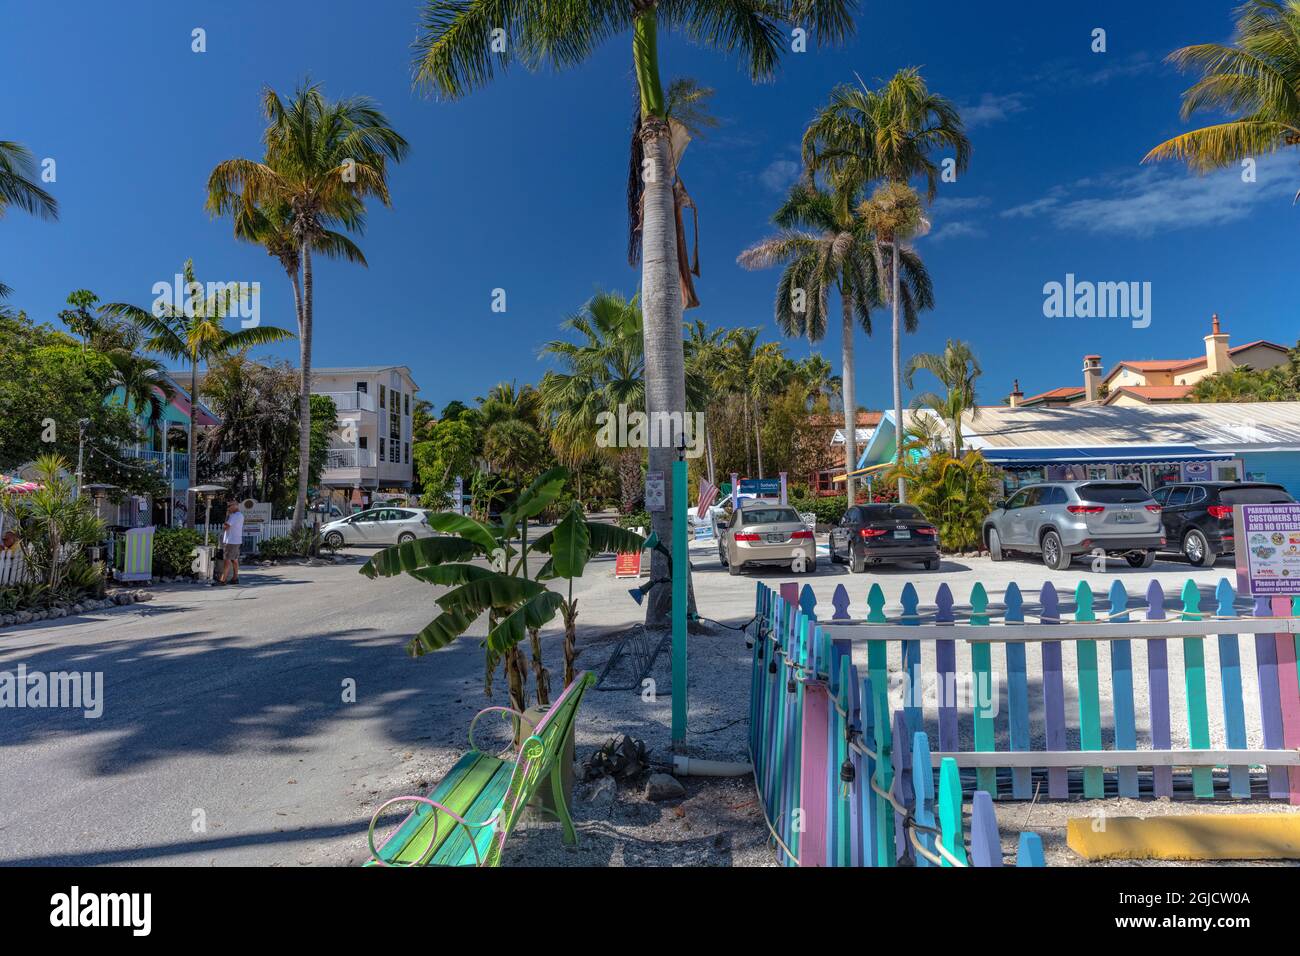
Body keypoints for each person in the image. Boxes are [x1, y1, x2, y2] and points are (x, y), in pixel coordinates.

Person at [217, 500, 244, 586]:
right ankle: (235, 578)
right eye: (228, 506)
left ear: (235, 506)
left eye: (230, 506)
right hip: (236, 540)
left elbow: (225, 526)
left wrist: (227, 516)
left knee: (227, 560)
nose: (228, 508)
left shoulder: (233, 516)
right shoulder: (240, 515)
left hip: (230, 541)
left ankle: (223, 579)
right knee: (234, 560)